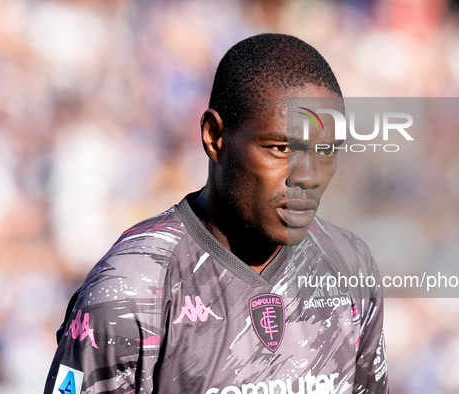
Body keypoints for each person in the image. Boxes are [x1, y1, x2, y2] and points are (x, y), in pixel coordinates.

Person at [44, 33, 388, 394]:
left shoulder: (350, 267)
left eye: (325, 151)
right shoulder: (130, 289)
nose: (308, 177)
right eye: (282, 148)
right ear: (214, 136)